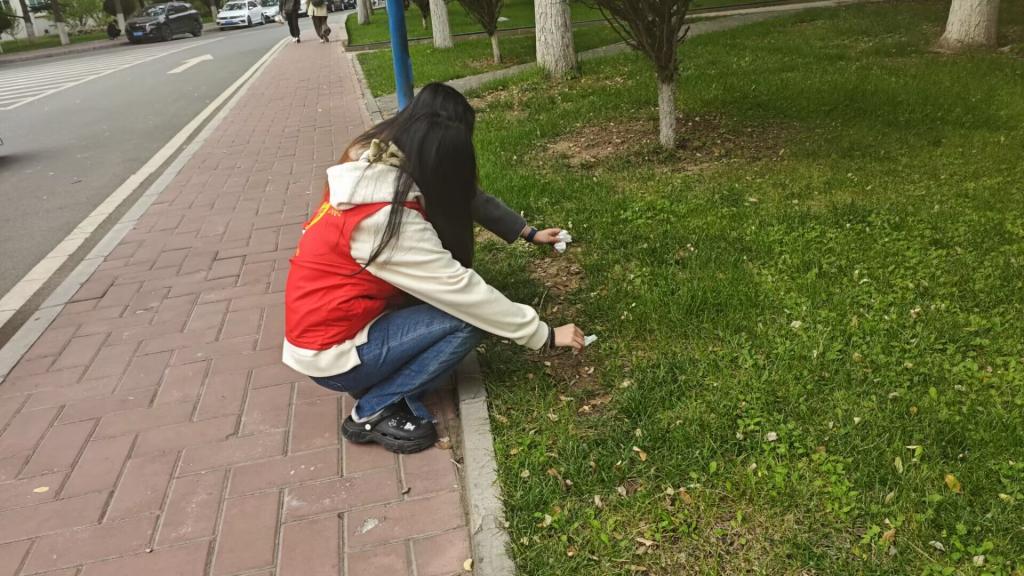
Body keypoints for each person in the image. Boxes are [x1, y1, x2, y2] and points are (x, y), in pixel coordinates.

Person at [283, 83, 585, 454]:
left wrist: (527, 232)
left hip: (328, 330)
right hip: (333, 352)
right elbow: (460, 290)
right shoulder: (385, 216)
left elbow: (467, 195)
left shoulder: (376, 160)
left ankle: (373, 377)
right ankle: (374, 407)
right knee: (468, 319)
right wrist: (543, 334)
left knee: (454, 309)